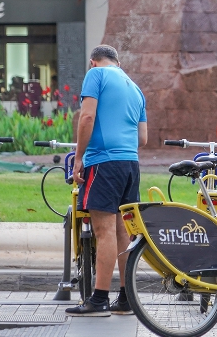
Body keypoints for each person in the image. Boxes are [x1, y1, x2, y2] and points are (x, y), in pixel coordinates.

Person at [66, 45, 147, 317]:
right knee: (123, 231)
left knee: (104, 232)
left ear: (93, 62)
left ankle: (99, 299)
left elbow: (87, 116)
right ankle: (125, 298)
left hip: (104, 162)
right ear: (118, 62)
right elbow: (143, 138)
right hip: (130, 164)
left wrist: (78, 157)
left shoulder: (96, 75)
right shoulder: (135, 88)